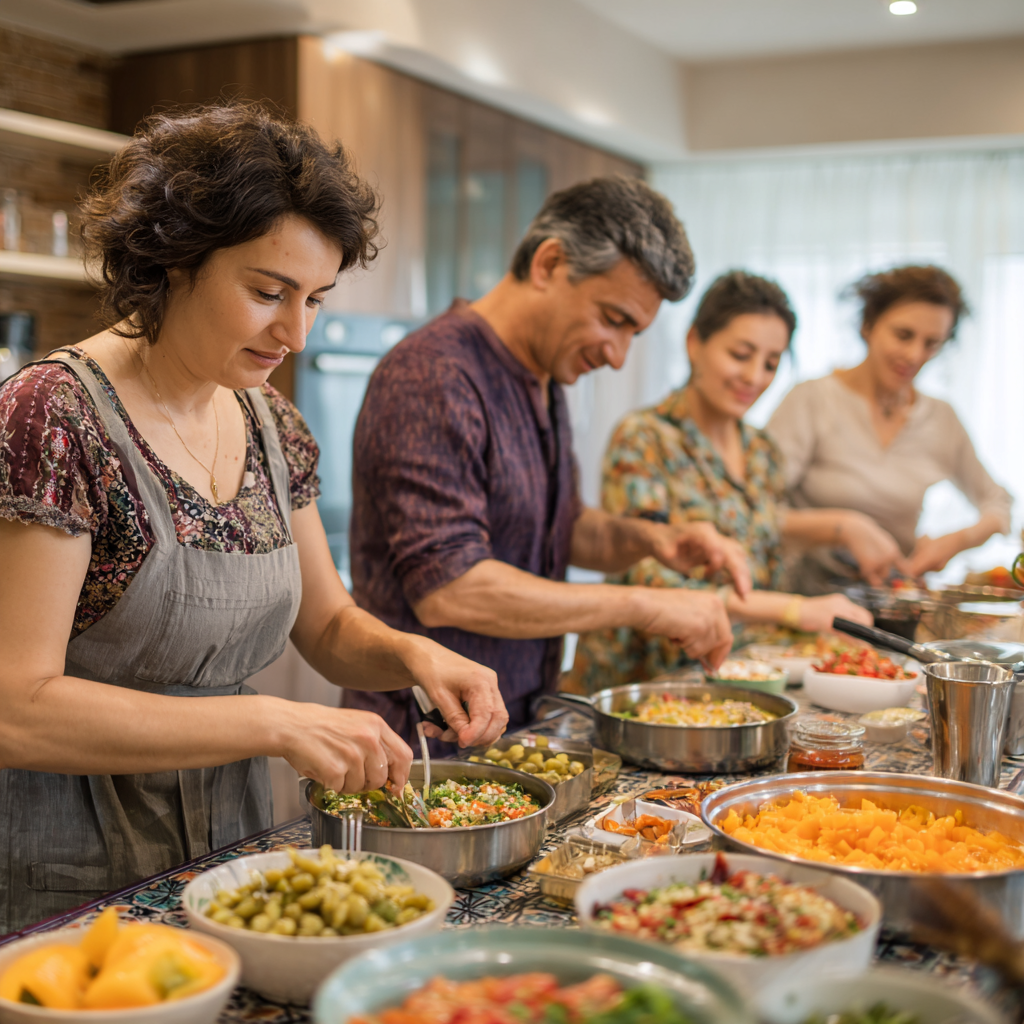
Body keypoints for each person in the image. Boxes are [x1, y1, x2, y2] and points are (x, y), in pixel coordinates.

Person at [0, 103, 506, 933]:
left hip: (226, 847)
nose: (296, 333)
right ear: (174, 261)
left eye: (315, 299)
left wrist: (412, 654)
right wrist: (272, 720)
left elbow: (328, 625)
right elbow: (17, 707)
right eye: (269, 292)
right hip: (69, 865)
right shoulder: (55, 416)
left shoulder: (271, 422)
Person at [346, 177, 753, 745]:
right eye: (612, 319)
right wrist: (644, 604)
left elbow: (561, 528)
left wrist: (655, 540)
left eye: (634, 333)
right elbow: (451, 588)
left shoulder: (544, 375)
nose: (617, 356)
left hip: (514, 722)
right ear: (549, 264)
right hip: (423, 741)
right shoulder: (434, 375)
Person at [568, 271, 875, 690]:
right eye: (740, 354)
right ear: (695, 342)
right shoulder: (645, 437)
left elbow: (765, 562)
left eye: (770, 363)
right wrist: (792, 610)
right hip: (644, 677)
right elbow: (646, 575)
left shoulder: (762, 451)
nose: (754, 376)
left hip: (738, 672)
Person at [768, 265, 1012, 595]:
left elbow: (999, 504)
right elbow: (755, 512)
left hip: (892, 601)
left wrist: (956, 541)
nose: (915, 355)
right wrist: (844, 528)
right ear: (868, 325)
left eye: (932, 343)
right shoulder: (811, 400)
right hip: (802, 600)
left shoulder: (941, 419)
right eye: (903, 335)